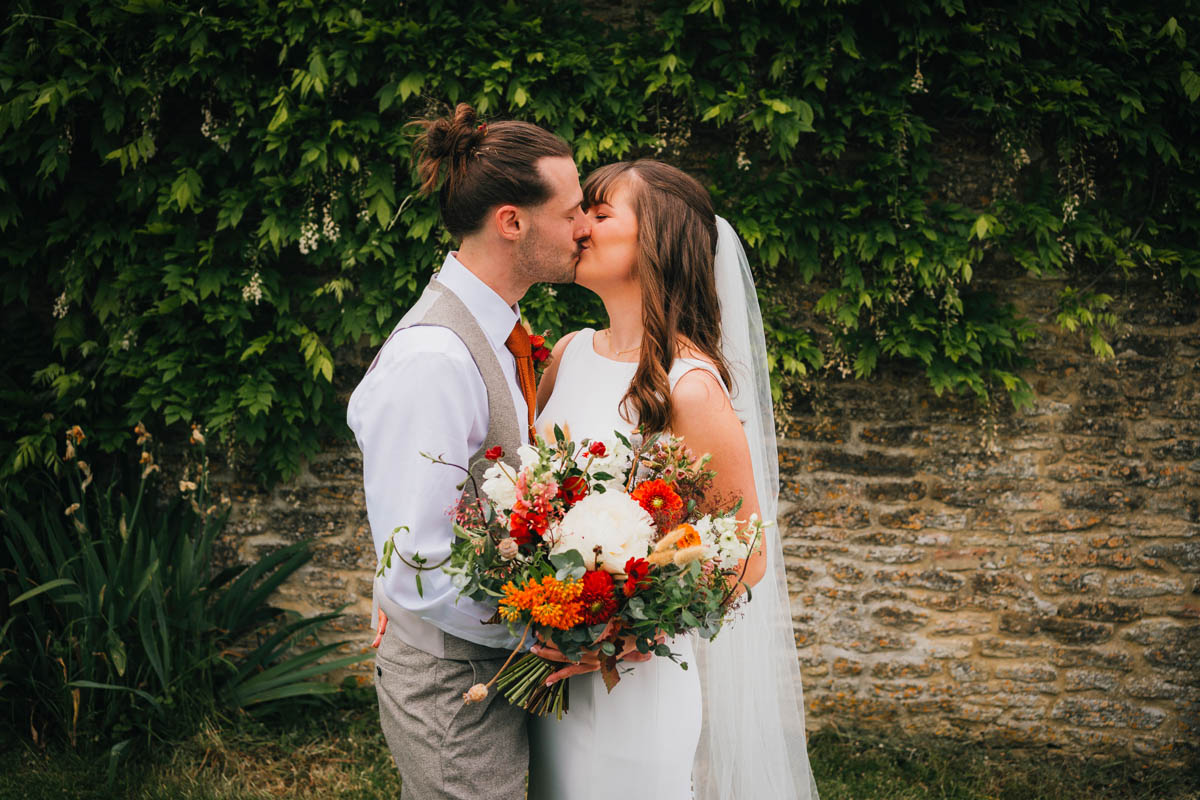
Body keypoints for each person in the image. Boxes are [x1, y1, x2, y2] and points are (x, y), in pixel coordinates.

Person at [528, 160, 820, 799]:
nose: (579, 227)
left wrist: (633, 625)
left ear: (654, 243)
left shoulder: (687, 386)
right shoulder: (569, 353)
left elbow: (748, 551)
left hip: (632, 685)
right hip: (551, 667)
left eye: (601, 215)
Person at [346, 103, 593, 800]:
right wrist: (565, 613)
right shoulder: (436, 358)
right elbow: (418, 563)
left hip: (496, 667)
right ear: (512, 221)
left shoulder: (501, 328)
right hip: (454, 694)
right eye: (572, 211)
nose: (586, 226)